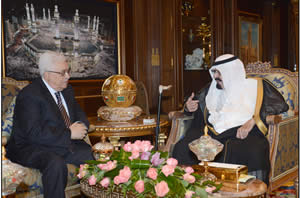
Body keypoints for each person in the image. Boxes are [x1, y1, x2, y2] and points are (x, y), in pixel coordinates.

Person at [172, 54, 289, 185]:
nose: (215, 76)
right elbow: (196, 102)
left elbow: (279, 105)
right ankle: (189, 187)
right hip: (212, 133)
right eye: (214, 71)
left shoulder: (256, 86)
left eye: (219, 72)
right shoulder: (212, 88)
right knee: (182, 147)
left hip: (241, 132)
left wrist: (253, 120)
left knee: (253, 151)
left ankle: (251, 191)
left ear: (231, 72)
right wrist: (188, 107)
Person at [6, 51, 94, 198]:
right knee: (55, 164)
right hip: (30, 147)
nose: (68, 76)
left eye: (68, 71)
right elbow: (33, 133)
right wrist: (69, 133)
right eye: (63, 72)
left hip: (60, 144)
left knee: (94, 156)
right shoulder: (30, 95)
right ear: (47, 74)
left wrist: (79, 126)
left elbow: (81, 118)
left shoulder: (67, 91)